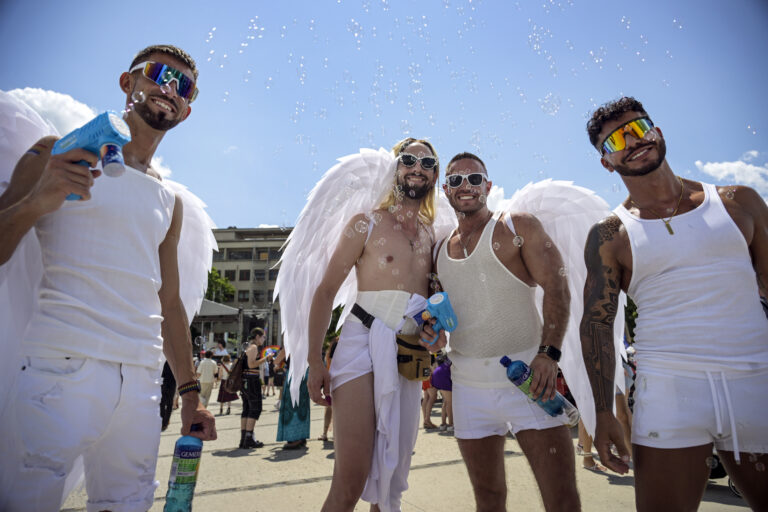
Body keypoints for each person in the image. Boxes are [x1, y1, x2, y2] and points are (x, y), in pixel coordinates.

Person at [0, 44, 216, 511]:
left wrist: (190, 395)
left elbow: (170, 302)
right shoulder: (53, 153)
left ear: (188, 109)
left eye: (184, 86)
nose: (169, 90)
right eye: (160, 75)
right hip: (61, 367)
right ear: (128, 81)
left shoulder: (169, 200)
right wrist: (41, 198)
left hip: (140, 382)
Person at [580, 96, 768, 511]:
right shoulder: (610, 234)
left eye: (638, 128)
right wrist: (602, 412)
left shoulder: (739, 202)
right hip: (668, 389)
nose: (632, 141)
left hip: (756, 379)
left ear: (657, 131)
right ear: (607, 163)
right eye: (616, 140)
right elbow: (595, 324)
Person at [425, 152, 581, 511]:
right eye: (456, 181)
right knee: (489, 499)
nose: (466, 187)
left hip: (528, 379)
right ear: (445, 190)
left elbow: (557, 288)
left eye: (475, 179)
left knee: (561, 498)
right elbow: (443, 321)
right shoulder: (437, 251)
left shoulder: (516, 227)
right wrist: (434, 337)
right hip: (468, 389)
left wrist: (549, 354)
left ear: (489, 186)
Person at [307, 138, 441, 511]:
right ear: (395, 167)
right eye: (408, 159)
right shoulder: (365, 223)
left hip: (406, 357)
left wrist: (435, 334)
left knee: (389, 483)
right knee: (350, 480)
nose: (417, 167)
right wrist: (314, 361)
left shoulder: (433, 235)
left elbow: (433, 306)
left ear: (434, 173)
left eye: (427, 162)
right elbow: (325, 291)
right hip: (360, 345)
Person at [240, 327, 272, 449]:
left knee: (247, 408)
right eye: (263, 336)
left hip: (246, 381)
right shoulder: (253, 348)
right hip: (251, 381)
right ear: (257, 337)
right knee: (255, 408)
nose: (264, 339)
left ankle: (244, 438)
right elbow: (251, 364)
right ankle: (248, 438)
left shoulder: (248, 347)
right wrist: (266, 359)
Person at [277, 355, 311, 450]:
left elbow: (277, 360)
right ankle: (301, 436)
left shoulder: (291, 341)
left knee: (292, 406)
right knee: (301, 406)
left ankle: (294, 438)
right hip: (304, 373)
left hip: (294, 374)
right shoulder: (306, 341)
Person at [319, 337, 339, 441]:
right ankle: (337, 434)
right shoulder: (343, 349)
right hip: (341, 382)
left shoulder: (329, 353)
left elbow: (326, 366)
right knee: (339, 410)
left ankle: (324, 433)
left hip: (330, 382)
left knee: (328, 408)